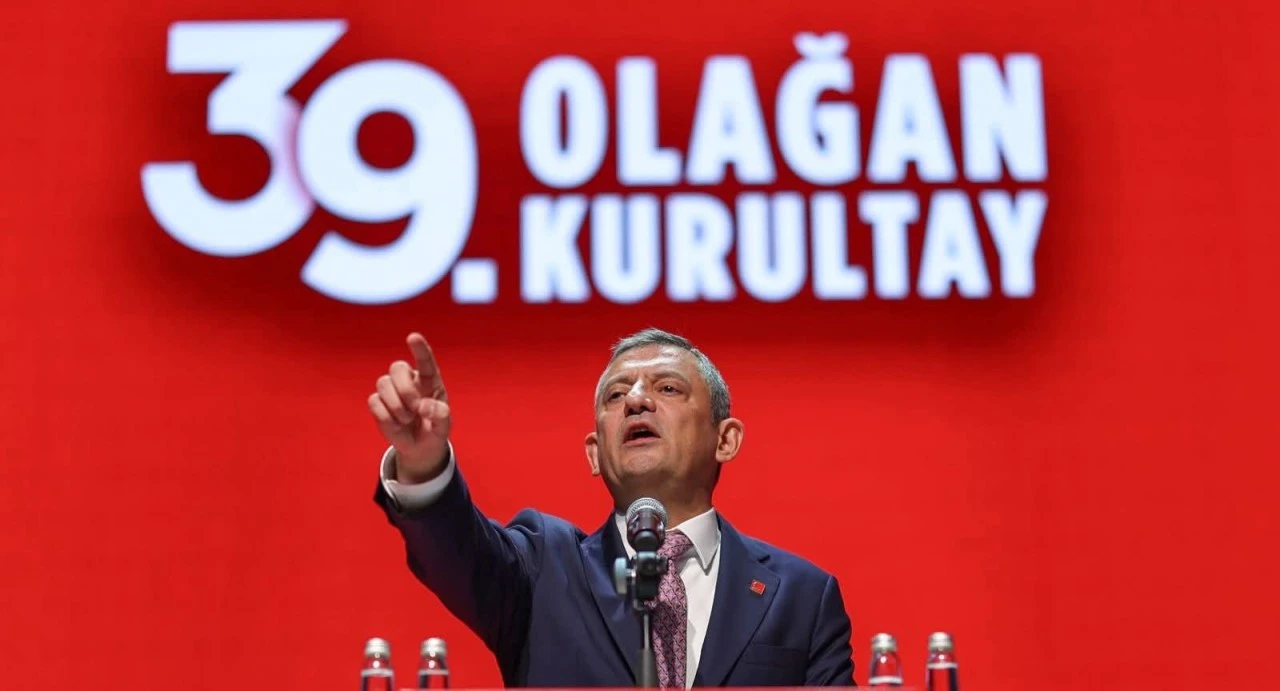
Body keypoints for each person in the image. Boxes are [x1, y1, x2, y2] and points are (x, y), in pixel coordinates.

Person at [369, 328, 855, 687]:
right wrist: (424, 464)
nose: (636, 402)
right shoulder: (543, 570)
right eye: (617, 395)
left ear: (725, 439)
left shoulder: (801, 597)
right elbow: (455, 552)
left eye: (667, 388)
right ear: (595, 454)